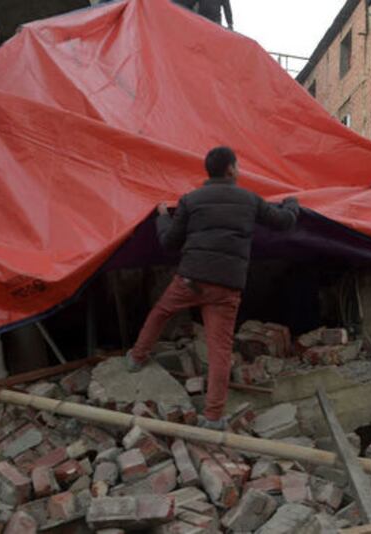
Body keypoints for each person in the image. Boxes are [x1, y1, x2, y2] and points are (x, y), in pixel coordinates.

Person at [126, 147, 299, 429]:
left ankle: (136, 357)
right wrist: (292, 201)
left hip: (191, 279)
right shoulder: (250, 200)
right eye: (238, 166)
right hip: (226, 286)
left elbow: (169, 242)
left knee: (161, 312)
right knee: (220, 350)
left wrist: (162, 216)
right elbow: (285, 222)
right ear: (231, 169)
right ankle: (213, 417)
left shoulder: (190, 200)